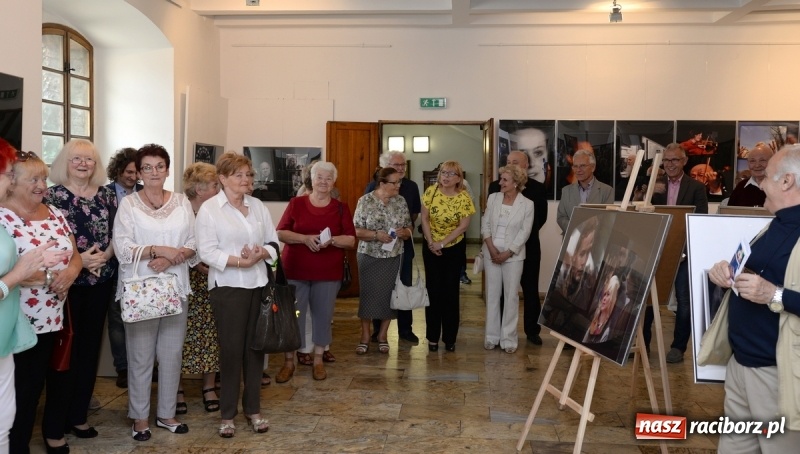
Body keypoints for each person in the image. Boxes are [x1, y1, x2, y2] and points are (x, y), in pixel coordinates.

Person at [707, 144, 800, 452]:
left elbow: (771, 290)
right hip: (741, 368)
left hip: (778, 377)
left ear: (787, 182)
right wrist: (725, 272)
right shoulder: (775, 224)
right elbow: (753, 272)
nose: (760, 183)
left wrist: (773, 293)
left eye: (768, 176)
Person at [113, 144, 198, 441]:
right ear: (138, 171)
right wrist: (156, 250)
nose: (153, 172)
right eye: (146, 167)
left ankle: (166, 414)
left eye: (159, 166)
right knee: (140, 357)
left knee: (172, 354)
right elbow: (122, 248)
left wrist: (171, 258)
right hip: (141, 290)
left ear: (167, 169)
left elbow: (193, 241)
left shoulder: (181, 202)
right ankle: (139, 417)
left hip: (175, 286)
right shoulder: (129, 205)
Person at [0, 150, 80, 454]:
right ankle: (16, 445)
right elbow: (11, 269)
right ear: (12, 182)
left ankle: (52, 432)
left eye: (43, 178)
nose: (41, 185)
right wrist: (49, 280)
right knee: (24, 388)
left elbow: (75, 255)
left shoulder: (55, 212)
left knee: (57, 377)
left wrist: (70, 274)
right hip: (18, 317)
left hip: (55, 314)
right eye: (33, 178)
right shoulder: (2, 217)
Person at [196, 152, 278, 437]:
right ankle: (227, 414)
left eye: (249, 174)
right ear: (223, 179)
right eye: (239, 175)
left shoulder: (257, 206)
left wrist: (261, 253)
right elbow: (205, 250)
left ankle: (253, 410)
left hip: (258, 283)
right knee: (231, 352)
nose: (246, 180)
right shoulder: (210, 209)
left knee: (255, 350)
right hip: (228, 288)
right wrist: (239, 261)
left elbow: (274, 242)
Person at [45, 139, 119, 441]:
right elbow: (47, 239)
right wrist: (80, 260)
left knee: (89, 352)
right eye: (76, 159)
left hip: (101, 280)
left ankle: (78, 416)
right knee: (65, 352)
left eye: (89, 159)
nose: (83, 164)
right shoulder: (52, 196)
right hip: (67, 285)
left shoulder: (107, 196)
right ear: (65, 162)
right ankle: (57, 420)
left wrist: (106, 255)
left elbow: (119, 232)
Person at [276, 161, 355, 382]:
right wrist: (304, 239)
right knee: (294, 316)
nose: (323, 182)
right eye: (319, 177)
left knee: (323, 316)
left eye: (328, 178)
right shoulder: (296, 204)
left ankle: (318, 360)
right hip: (295, 270)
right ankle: (289, 362)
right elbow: (281, 232)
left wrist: (330, 241)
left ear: (333, 182)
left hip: (328, 273)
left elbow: (350, 240)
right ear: (312, 179)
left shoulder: (341, 208)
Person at [644, 143, 708, 363]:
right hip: (657, 251)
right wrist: (649, 194)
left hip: (684, 253)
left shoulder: (696, 188)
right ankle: (643, 343)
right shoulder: (654, 184)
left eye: (675, 160)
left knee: (684, 301)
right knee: (649, 299)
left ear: (684, 161)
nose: (670, 164)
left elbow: (700, 221)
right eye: (667, 160)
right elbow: (644, 213)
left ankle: (678, 348)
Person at [488, 150, 548, 345]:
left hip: (528, 248)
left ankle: (532, 331)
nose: (510, 164)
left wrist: (516, 241)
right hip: (499, 249)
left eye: (515, 162)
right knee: (504, 292)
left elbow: (541, 219)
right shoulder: (494, 188)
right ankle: (501, 333)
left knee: (530, 290)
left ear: (525, 165)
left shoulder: (537, 189)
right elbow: (490, 218)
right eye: (508, 161)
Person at [176, 162, 220, 416]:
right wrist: (195, 262)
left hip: (211, 280)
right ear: (200, 188)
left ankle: (209, 386)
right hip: (184, 279)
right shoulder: (180, 210)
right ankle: (177, 388)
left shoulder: (215, 210)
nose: (218, 188)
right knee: (179, 336)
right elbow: (175, 241)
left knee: (211, 333)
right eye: (214, 184)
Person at [363, 151, 421, 344]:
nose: (401, 168)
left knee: (403, 286)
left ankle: (405, 329)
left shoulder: (411, 187)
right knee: (379, 290)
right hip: (376, 250)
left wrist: (403, 230)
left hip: (402, 247)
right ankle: (378, 331)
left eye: (403, 165)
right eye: (396, 165)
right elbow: (365, 220)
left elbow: (413, 215)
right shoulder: (372, 188)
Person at [353, 167, 412, 354]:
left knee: (389, 297)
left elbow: (409, 225)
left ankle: (383, 336)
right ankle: (364, 336)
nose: (398, 186)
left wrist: (405, 232)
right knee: (367, 295)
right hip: (368, 256)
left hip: (393, 256)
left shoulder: (400, 201)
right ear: (382, 184)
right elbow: (355, 230)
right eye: (394, 182)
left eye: (399, 182)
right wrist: (376, 235)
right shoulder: (365, 201)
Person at [420, 161, 475, 352]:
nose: (445, 176)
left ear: (459, 178)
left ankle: (450, 338)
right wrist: (430, 242)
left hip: (452, 248)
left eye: (451, 174)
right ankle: (433, 338)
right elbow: (424, 218)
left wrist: (442, 243)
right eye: (443, 172)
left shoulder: (463, 197)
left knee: (450, 293)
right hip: (431, 247)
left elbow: (463, 226)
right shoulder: (430, 192)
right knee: (433, 292)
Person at [481, 165, 534, 354]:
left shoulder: (527, 204)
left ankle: (509, 339)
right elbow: (485, 223)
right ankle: (491, 337)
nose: (500, 183)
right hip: (491, 253)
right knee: (492, 296)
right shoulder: (493, 198)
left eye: (504, 180)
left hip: (513, 257)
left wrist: (508, 252)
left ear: (516, 183)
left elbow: (525, 232)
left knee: (511, 297)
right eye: (500, 179)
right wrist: (492, 248)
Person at [104, 147, 141, 389]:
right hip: (112, 264)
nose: (133, 176)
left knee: (139, 315)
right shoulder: (104, 194)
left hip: (140, 263)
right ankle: (123, 368)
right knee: (117, 318)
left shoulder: (145, 194)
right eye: (128, 171)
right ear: (118, 170)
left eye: (136, 171)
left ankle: (144, 365)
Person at [556, 149, 614, 234]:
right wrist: (577, 230)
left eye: (582, 166)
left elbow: (607, 219)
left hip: (596, 241)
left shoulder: (607, 191)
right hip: (571, 241)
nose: (578, 170)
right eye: (575, 166)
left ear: (593, 167)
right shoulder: (566, 191)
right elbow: (561, 217)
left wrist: (588, 231)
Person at [583, 275, 621, 344]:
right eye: (604, 294)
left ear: (613, 299)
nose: (604, 298)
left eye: (608, 295)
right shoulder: (595, 319)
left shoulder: (609, 329)